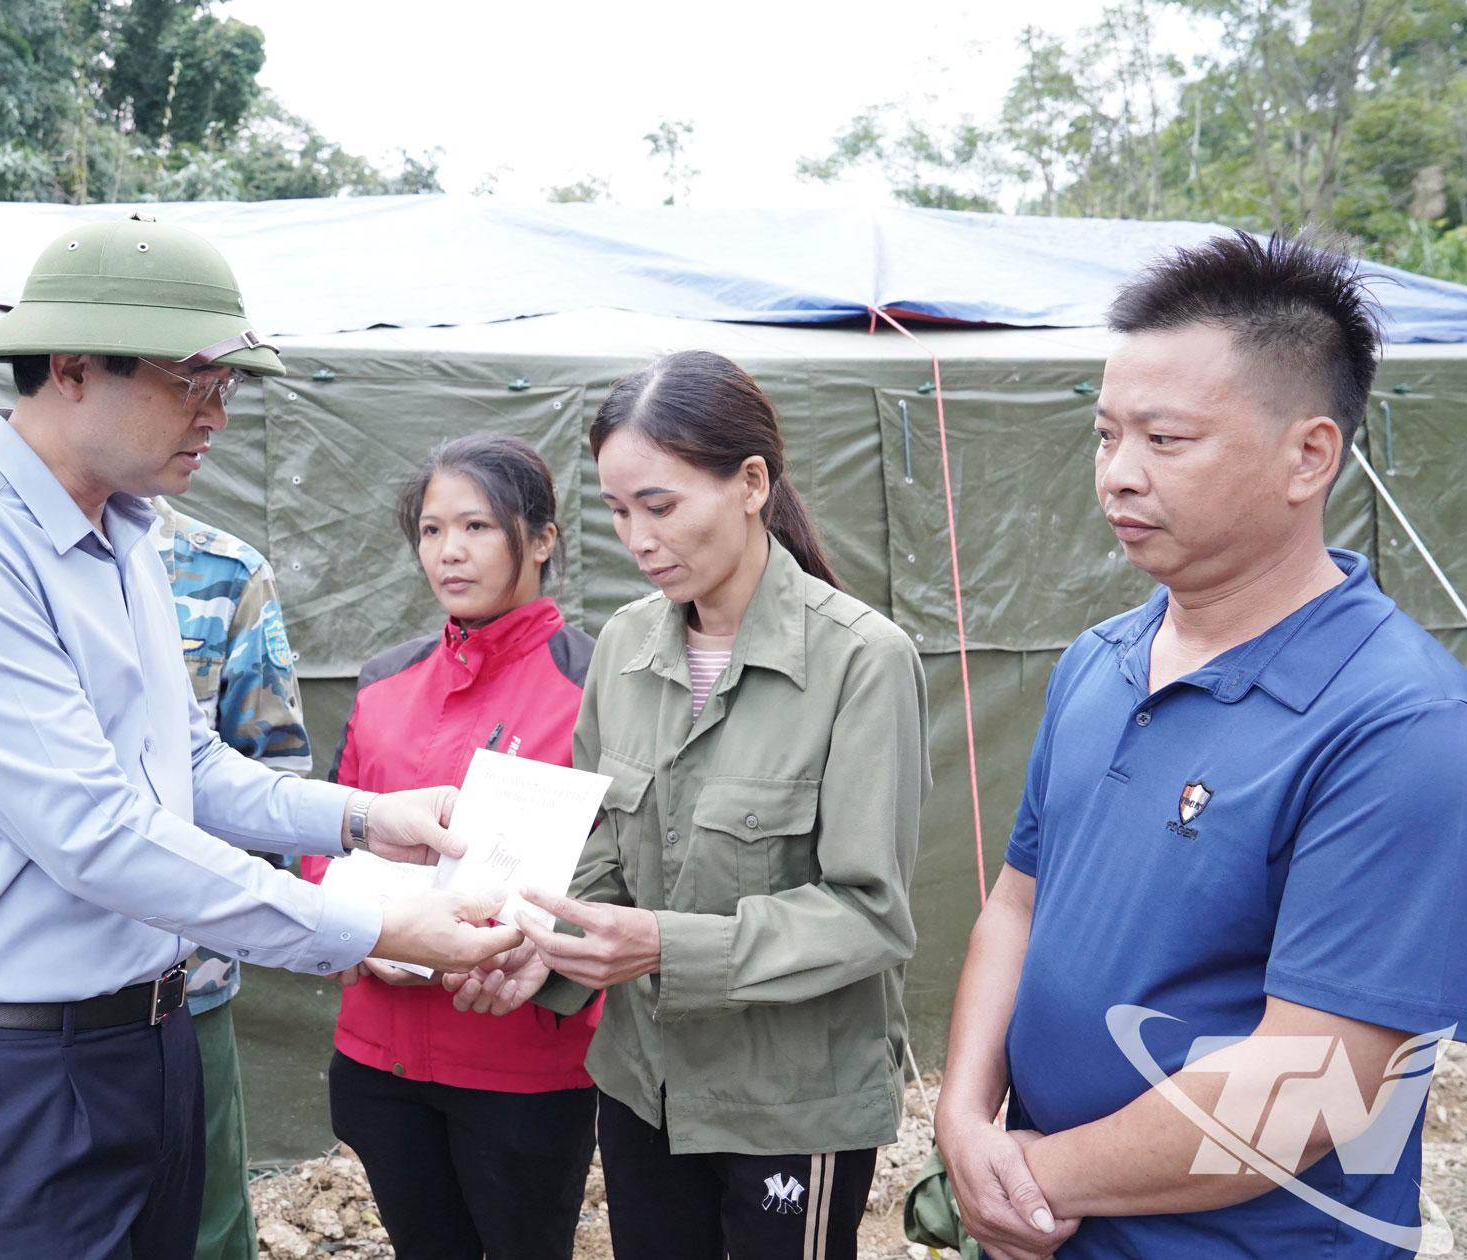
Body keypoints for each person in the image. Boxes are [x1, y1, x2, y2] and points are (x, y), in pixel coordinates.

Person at [0, 213, 522, 1260]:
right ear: (70, 368)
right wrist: (381, 931)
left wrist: (359, 817)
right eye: (190, 382)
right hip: (13, 1069)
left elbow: (182, 762)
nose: (215, 414)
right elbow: (96, 833)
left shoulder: (123, 536)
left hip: (147, 1041)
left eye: (227, 388)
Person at [935, 232, 1467, 1260]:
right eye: (1102, 435)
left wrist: (1027, 1178)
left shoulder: (1396, 723)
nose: (1116, 477)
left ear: (1306, 455)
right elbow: (1015, 905)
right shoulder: (1097, 662)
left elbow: (1311, 1081)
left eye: (1163, 441)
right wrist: (962, 1121)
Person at [454, 351, 930, 1260]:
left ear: (751, 483)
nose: (638, 540)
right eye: (620, 510)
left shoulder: (862, 662)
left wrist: (668, 946)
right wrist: (541, 945)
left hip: (793, 1104)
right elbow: (597, 848)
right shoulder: (625, 648)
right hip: (645, 1087)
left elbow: (869, 916)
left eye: (661, 506)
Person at [299, 434, 601, 1260]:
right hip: (380, 1055)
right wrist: (366, 932)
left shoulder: (599, 686)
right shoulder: (384, 683)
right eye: (431, 530)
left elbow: (627, 872)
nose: (449, 551)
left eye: (477, 526)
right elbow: (329, 840)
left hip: (520, 1065)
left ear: (540, 538)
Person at [150, 496, 311, 1260]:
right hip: (30, 998)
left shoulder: (222, 572)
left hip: (186, 985)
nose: (206, 413)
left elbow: (266, 770)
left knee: (206, 1224)